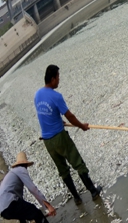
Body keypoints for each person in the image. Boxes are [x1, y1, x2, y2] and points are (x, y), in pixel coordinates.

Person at [34, 64, 101, 204]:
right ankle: (93, 191)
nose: (59, 80)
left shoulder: (37, 94)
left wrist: (59, 121)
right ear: (52, 78)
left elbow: (46, 115)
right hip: (59, 138)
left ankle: (77, 198)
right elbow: (70, 116)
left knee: (63, 170)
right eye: (58, 77)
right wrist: (82, 126)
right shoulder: (56, 96)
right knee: (78, 163)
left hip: (47, 141)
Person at [0, 152, 62, 223]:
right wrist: (47, 205)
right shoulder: (21, 170)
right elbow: (33, 189)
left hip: (3, 210)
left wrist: (28, 216)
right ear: (25, 164)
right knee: (35, 211)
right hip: (10, 203)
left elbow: (17, 198)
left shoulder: (11, 174)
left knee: (22, 217)